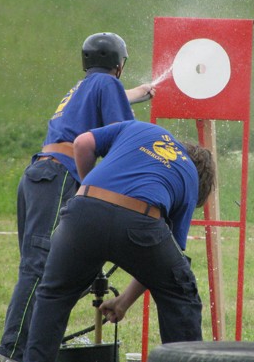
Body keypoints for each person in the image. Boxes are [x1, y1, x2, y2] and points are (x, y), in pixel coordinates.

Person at [0, 33, 155, 362]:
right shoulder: (107, 85)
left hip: (39, 176)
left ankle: (35, 347)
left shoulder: (83, 87)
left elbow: (108, 103)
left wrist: (137, 94)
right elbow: (124, 136)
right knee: (41, 270)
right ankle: (10, 352)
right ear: (119, 66)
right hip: (60, 176)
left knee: (53, 270)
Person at [22, 119, 216, 362]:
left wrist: (91, 199)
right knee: (181, 292)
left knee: (53, 295)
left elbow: (82, 143)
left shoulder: (143, 128)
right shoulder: (188, 175)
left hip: (81, 213)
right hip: (140, 222)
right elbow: (163, 267)